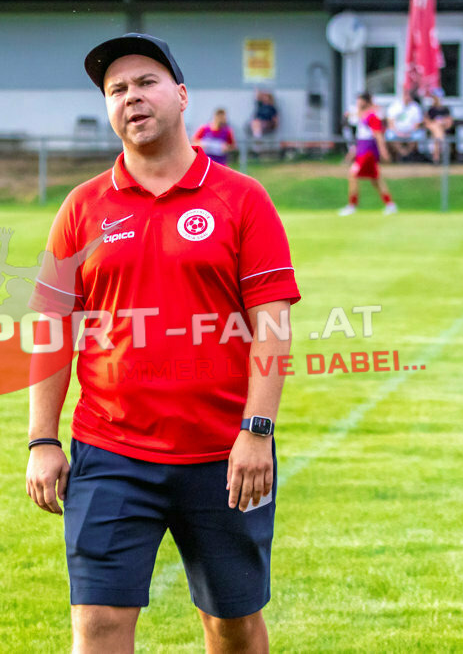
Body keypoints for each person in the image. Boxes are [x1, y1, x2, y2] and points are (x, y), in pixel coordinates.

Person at [26, 32, 300, 652]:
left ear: (180, 96)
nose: (132, 98)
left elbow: (272, 324)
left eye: (146, 83)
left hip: (222, 455)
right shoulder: (82, 207)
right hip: (110, 452)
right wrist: (43, 440)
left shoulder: (241, 198)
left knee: (231, 625)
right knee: (98, 622)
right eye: (116, 89)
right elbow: (51, 330)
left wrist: (257, 431)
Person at [338, 92, 397, 216]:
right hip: (362, 150)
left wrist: (383, 151)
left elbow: (378, 135)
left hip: (368, 152)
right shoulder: (364, 115)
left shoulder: (372, 116)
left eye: (360, 100)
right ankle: (390, 204)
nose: (357, 103)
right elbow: (355, 117)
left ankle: (352, 205)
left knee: (353, 174)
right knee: (376, 179)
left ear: (365, 101)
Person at [385, 88, 424, 160]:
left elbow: (417, 124)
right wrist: (397, 132)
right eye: (406, 95)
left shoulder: (415, 107)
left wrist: (410, 132)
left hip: (411, 131)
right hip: (397, 131)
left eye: (409, 96)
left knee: (418, 135)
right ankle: (403, 155)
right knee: (390, 135)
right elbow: (390, 122)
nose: (407, 97)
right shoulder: (394, 106)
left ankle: (407, 155)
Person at [423, 88, 454, 164]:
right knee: (436, 128)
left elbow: (449, 123)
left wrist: (441, 123)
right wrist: (437, 123)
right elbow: (427, 123)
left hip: (442, 129)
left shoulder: (445, 110)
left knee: (437, 133)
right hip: (434, 129)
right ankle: (441, 148)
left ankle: (436, 156)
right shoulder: (431, 110)